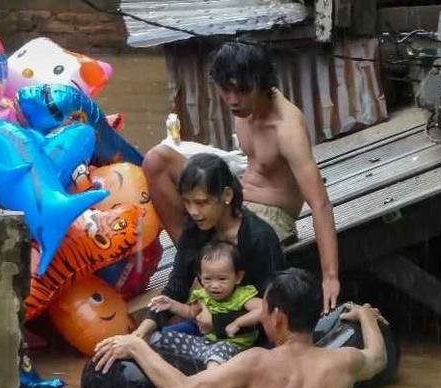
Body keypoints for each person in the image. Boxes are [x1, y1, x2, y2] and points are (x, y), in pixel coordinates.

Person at [143, 42, 340, 313]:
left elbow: (320, 203)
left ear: (262, 83)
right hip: (238, 197)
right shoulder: (244, 110)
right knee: (156, 161)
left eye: (243, 91)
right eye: (227, 90)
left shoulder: (287, 128)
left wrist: (330, 277)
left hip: (272, 216)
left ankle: (207, 274)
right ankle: (195, 263)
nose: (233, 100)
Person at [93, 268, 388, 388]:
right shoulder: (345, 361)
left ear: (278, 317)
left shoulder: (256, 362)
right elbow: (378, 358)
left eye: (264, 309)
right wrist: (364, 314)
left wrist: (137, 345)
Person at [131, 153, 285, 340]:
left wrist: (218, 322)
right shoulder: (195, 230)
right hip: (207, 328)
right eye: (187, 202)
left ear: (227, 195)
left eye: (201, 202)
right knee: (155, 340)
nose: (193, 212)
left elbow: (272, 309)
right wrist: (142, 331)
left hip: (248, 337)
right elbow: (177, 287)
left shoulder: (259, 238)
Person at [147, 240, 263, 366]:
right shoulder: (203, 295)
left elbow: (262, 309)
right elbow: (190, 312)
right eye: (208, 279)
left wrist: (238, 323)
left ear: (238, 277)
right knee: (156, 337)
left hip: (234, 348)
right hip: (206, 344)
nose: (214, 285)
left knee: (215, 356)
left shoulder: (241, 295)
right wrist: (170, 304)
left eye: (222, 279)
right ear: (200, 277)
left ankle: (209, 375)